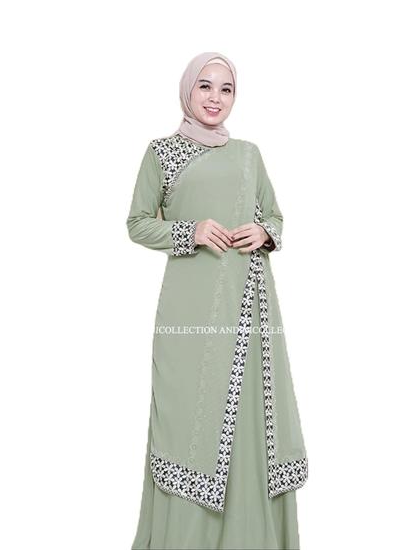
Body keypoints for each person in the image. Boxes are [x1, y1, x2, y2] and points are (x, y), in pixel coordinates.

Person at [127, 51, 307, 550]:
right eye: (205, 86)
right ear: (188, 90)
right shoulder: (162, 152)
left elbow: (276, 216)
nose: (215, 98)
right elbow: (137, 223)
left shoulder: (249, 154)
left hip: (249, 310)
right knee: (189, 423)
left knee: (247, 422)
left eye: (226, 89)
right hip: (189, 311)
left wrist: (264, 232)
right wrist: (191, 230)